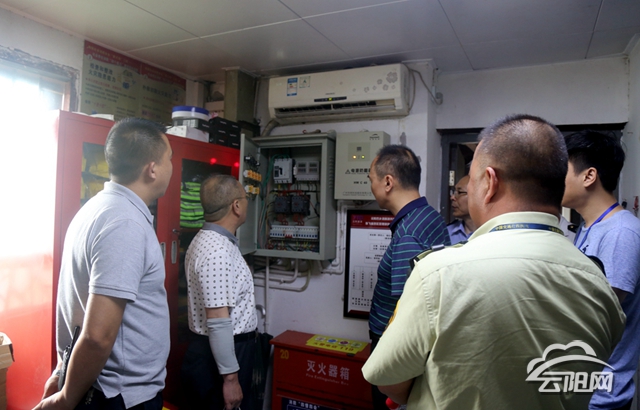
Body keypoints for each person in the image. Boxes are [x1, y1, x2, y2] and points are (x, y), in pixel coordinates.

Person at [362, 114, 626, 410]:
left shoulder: (438, 274)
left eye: (471, 181)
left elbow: (389, 380)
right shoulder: (598, 282)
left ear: (489, 182)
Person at [34, 118, 173, 409]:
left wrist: (63, 371)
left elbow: (80, 306)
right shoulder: (125, 223)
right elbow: (98, 336)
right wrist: (66, 397)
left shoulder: (98, 207)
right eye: (169, 159)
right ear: (152, 169)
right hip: (118, 396)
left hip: (104, 388)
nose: (171, 166)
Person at [366, 144, 450, 410]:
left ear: (388, 182)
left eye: (371, 179)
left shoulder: (409, 234)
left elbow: (406, 314)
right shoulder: (429, 217)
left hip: (395, 353)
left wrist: (395, 384)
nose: (371, 186)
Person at [562, 130, 640, 410]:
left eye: (562, 171)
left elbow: (600, 317)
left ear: (589, 176)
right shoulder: (590, 227)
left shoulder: (620, 233)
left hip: (601, 395)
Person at [181, 174, 258, 410]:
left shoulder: (209, 240)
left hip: (222, 352)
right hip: (220, 357)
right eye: (245, 199)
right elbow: (217, 320)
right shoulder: (217, 251)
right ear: (236, 206)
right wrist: (231, 380)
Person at [447, 175, 476, 244]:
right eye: (454, 192)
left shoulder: (493, 234)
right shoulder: (446, 233)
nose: (452, 197)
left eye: (459, 192)